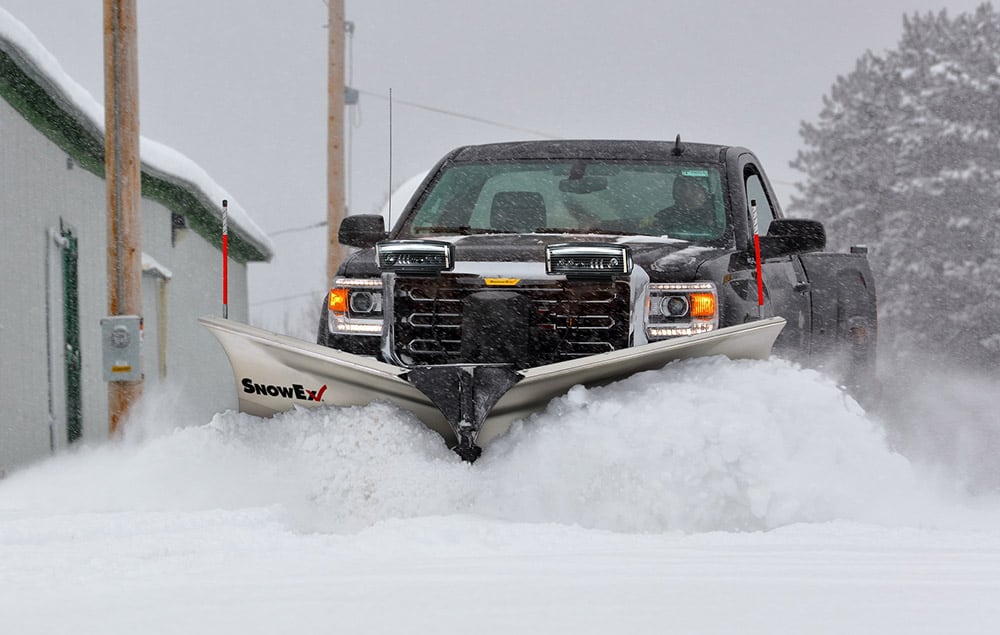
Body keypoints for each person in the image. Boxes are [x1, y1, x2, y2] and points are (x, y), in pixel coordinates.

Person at [641, 174, 716, 235]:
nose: (687, 193)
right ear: (674, 193)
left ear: (705, 192)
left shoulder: (718, 214)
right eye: (682, 188)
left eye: (694, 188)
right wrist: (647, 225)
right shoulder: (663, 215)